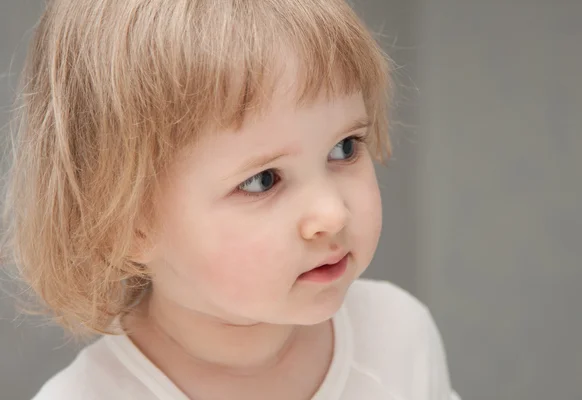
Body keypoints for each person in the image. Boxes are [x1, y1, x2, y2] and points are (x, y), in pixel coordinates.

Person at [3, 0, 461, 398]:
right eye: (264, 180)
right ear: (126, 223)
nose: (332, 213)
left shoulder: (398, 337)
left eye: (344, 148)